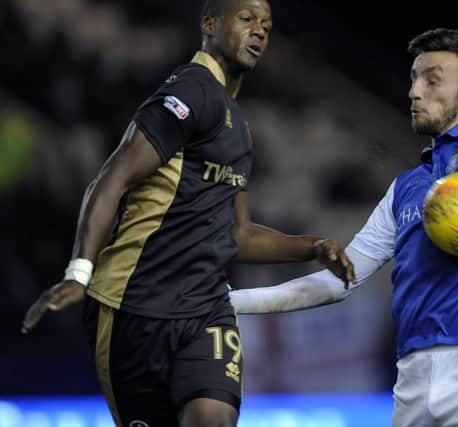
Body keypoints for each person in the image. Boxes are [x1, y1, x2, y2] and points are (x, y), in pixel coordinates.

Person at [227, 28, 458, 426]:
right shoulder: (404, 189)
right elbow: (339, 281)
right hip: (412, 378)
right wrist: (232, 303)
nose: (414, 92)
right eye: (414, 79)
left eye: (432, 80)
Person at [20, 1, 355, 426]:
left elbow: (238, 235)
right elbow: (111, 179)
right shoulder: (189, 92)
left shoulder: (237, 122)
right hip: (133, 308)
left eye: (267, 26)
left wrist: (314, 246)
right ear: (210, 25)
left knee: (212, 418)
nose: (260, 32)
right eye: (247, 19)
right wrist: (79, 272)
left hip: (205, 307)